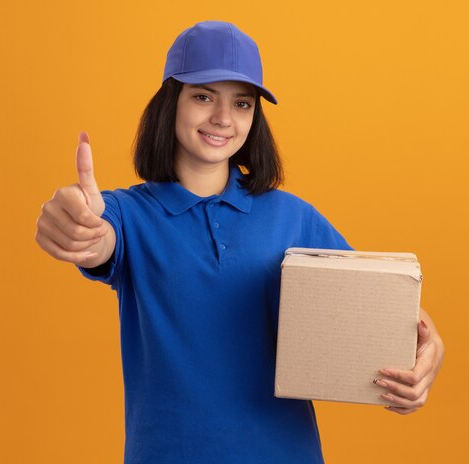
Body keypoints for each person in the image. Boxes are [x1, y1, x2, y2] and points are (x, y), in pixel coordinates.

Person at [35, 20, 444, 464]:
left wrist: (427, 351)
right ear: (170, 103)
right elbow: (98, 239)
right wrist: (78, 223)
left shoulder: (293, 218)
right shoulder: (128, 216)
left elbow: (385, 308)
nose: (223, 119)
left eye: (242, 103)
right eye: (203, 96)